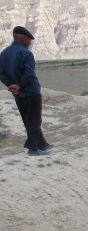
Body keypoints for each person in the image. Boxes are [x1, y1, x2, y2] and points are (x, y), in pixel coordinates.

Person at [0, 26, 53, 156]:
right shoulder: (26, 53)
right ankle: (32, 148)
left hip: (18, 94)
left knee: (27, 119)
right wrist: (19, 85)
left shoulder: (3, 54)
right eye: (29, 40)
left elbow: (1, 73)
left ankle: (42, 144)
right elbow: (29, 73)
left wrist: (11, 85)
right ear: (23, 38)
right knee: (35, 120)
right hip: (31, 91)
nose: (30, 43)